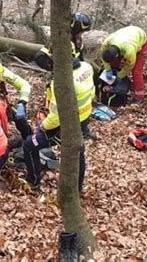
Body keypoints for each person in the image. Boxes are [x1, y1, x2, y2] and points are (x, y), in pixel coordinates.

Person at [26, 43, 95, 190]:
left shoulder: (62, 82)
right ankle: (77, 187)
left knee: (29, 146)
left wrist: (42, 126)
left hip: (63, 126)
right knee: (78, 153)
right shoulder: (86, 67)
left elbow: (57, 117)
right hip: (83, 120)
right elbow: (92, 93)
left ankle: (33, 182)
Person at [98, 25, 147, 102]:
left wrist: (120, 76)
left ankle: (138, 97)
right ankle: (112, 84)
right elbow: (103, 57)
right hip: (126, 36)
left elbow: (129, 66)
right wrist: (108, 69)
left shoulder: (129, 51)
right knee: (113, 64)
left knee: (136, 71)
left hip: (141, 39)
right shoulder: (106, 43)